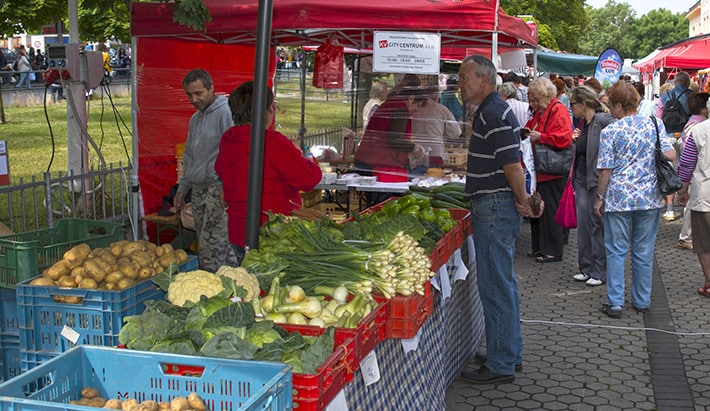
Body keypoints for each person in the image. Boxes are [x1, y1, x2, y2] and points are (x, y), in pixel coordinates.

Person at [457, 55, 543, 385]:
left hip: (493, 206)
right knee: (502, 284)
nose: (460, 83)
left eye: (465, 77)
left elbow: (512, 165)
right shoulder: (494, 109)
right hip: (494, 204)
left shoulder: (493, 112)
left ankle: (501, 362)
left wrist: (523, 201)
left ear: (484, 80)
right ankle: (507, 350)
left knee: (495, 286)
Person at [594, 81, 675, 318]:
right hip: (649, 196)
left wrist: (600, 198)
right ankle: (642, 300)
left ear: (619, 105)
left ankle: (615, 301)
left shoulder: (611, 131)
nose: (610, 110)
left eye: (611, 105)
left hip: (619, 197)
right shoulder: (654, 124)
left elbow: (605, 169)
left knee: (616, 250)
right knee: (643, 250)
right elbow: (671, 154)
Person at [215, 81, 322, 261]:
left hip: (238, 231)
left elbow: (220, 170)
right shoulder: (272, 141)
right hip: (273, 232)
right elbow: (308, 179)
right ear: (265, 113)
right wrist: (308, 159)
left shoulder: (228, 139)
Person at [174, 68, 238, 272]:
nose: (194, 99)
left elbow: (235, 153)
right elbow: (190, 155)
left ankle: (215, 289)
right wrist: (182, 189)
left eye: (198, 93)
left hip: (217, 189)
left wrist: (228, 187)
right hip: (199, 189)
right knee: (207, 242)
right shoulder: (195, 119)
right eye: (189, 95)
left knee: (214, 246)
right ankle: (233, 281)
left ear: (211, 89)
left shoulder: (226, 113)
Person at [568, 86, 615, 287]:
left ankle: (599, 270)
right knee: (585, 225)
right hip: (582, 179)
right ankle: (586, 267)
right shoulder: (584, 123)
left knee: (597, 226)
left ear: (583, 104)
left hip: (595, 180)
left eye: (572, 104)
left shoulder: (602, 120)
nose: (571, 109)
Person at [524, 77, 573, 263]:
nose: (533, 103)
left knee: (550, 210)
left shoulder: (557, 109)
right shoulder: (542, 111)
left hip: (552, 170)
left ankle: (552, 250)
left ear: (546, 96)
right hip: (542, 169)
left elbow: (564, 138)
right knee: (538, 207)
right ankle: (539, 247)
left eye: (536, 99)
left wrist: (541, 137)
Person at [354, 84, 425, 187]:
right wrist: (414, 147)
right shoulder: (400, 110)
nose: (416, 109)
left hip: (368, 158)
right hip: (377, 162)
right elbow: (395, 140)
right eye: (417, 105)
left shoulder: (391, 104)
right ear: (411, 98)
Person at [677, 100, 710, 298]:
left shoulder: (698, 131)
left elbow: (687, 164)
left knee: (705, 243)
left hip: (705, 194)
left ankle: (709, 282)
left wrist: (683, 190)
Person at [657, 72, 692, 221]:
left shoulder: (665, 97)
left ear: (675, 82)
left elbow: (658, 117)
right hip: (687, 136)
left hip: (669, 137)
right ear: (688, 83)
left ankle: (670, 210)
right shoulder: (692, 95)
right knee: (688, 170)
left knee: (669, 173)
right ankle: (687, 207)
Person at [410, 86, 462, 170]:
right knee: (434, 179)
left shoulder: (412, 109)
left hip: (415, 154)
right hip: (435, 153)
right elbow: (456, 133)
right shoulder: (442, 109)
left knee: (415, 180)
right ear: (436, 97)